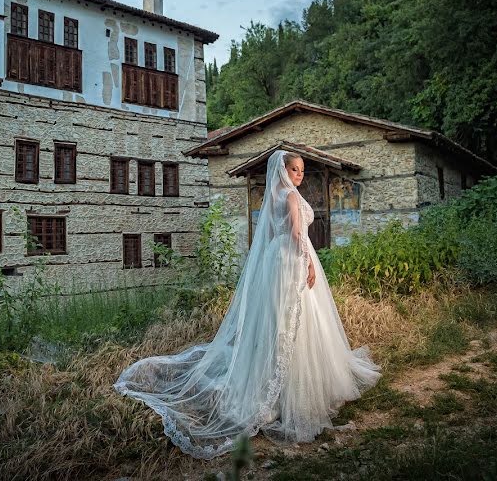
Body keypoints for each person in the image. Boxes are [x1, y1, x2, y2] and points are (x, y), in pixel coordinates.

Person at [113, 149, 381, 459]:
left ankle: (279, 381)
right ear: (283, 171)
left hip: (274, 260)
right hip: (292, 258)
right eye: (295, 170)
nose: (299, 175)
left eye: (302, 170)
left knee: (278, 320)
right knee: (296, 320)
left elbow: (268, 235)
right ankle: (293, 389)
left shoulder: (273, 196)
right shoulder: (291, 197)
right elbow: (296, 233)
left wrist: (277, 261)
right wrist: (307, 264)